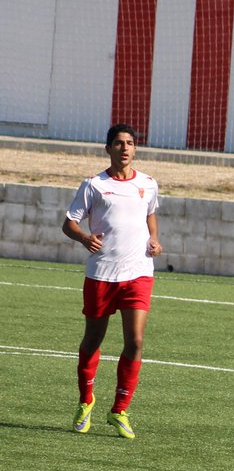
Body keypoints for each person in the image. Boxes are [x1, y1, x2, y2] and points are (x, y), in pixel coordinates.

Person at [62, 123, 162, 439]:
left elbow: (150, 214)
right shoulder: (94, 185)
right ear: (108, 148)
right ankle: (85, 401)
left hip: (139, 272)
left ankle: (119, 410)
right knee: (93, 340)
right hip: (102, 274)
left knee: (136, 341)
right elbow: (69, 223)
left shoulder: (148, 183)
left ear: (135, 148)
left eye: (130, 143)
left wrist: (154, 239)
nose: (125, 148)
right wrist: (84, 238)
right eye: (119, 143)